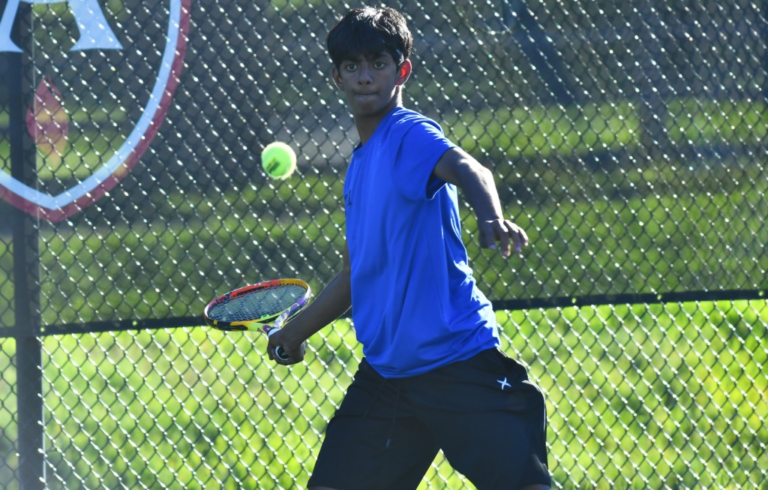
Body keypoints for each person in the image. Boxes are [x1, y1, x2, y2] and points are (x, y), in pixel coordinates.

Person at [267, 6, 551, 490]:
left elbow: (470, 170)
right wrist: (294, 333)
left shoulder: (408, 134)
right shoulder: (358, 168)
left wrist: (490, 216)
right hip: (388, 378)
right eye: (352, 67)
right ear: (336, 77)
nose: (364, 77)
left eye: (377, 63)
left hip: (457, 365)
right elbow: (356, 276)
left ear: (402, 70)